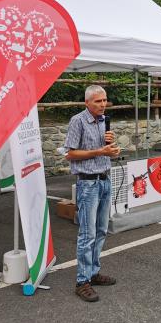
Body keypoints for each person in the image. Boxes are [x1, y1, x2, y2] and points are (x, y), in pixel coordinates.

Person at [64, 85, 121, 302]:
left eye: (105, 100)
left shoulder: (103, 121)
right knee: (87, 235)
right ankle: (82, 281)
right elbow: (69, 154)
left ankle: (93, 273)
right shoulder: (77, 121)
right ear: (87, 102)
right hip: (88, 184)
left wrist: (112, 150)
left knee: (101, 230)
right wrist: (100, 151)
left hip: (105, 180)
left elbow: (107, 152)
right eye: (98, 101)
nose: (103, 104)